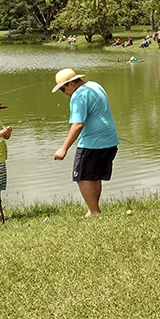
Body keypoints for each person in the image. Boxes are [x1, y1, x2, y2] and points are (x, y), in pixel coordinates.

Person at [52, 69, 119, 218]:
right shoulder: (94, 85)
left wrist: (63, 148)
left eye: (63, 89)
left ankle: (94, 211)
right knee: (94, 176)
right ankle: (93, 209)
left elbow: (78, 124)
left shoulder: (78, 95)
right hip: (109, 139)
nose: (64, 93)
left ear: (70, 83)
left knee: (81, 176)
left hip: (92, 142)